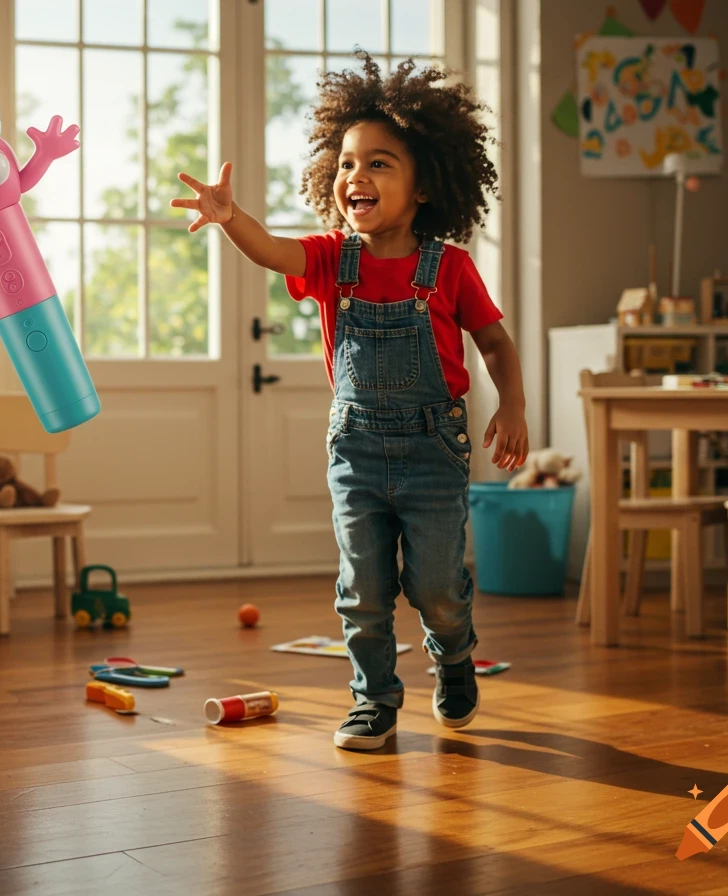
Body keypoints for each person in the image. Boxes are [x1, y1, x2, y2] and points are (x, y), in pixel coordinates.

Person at [174, 55, 528, 751]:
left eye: (378, 163)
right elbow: (271, 251)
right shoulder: (331, 258)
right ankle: (374, 700)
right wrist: (230, 217)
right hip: (357, 451)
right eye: (344, 163)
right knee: (362, 590)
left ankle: (454, 658)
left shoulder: (450, 267)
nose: (354, 176)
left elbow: (494, 342)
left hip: (433, 450)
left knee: (437, 587)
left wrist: (511, 407)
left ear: (424, 186)